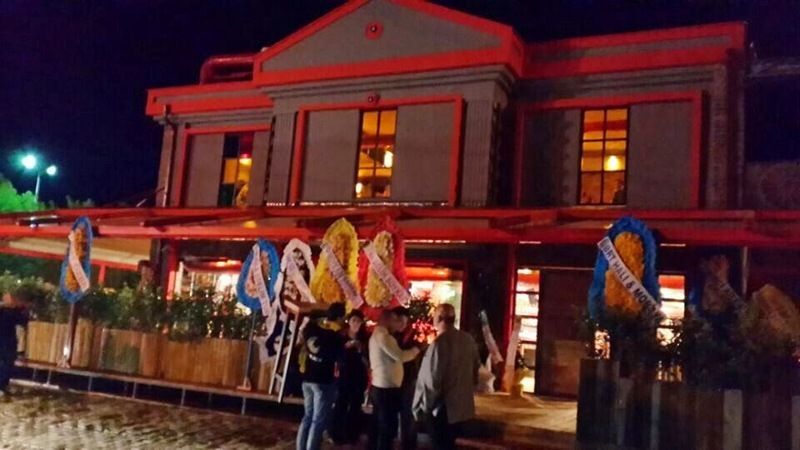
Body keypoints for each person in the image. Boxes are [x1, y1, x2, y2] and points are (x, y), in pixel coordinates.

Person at [413, 304, 480, 450]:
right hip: (461, 406)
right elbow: (475, 369)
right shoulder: (467, 340)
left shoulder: (439, 344)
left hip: (442, 407)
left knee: (439, 444)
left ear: (438, 318)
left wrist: (424, 406)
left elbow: (432, 380)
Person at [296, 302, 346, 450]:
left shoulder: (309, 330)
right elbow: (340, 358)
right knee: (318, 421)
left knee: (307, 416)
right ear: (340, 317)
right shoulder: (335, 336)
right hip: (323, 380)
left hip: (307, 378)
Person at [369, 309, 420, 450]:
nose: (399, 325)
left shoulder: (383, 335)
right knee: (386, 428)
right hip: (385, 387)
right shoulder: (384, 336)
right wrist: (416, 350)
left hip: (387, 386)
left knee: (384, 425)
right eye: (397, 321)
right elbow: (400, 356)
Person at [330, 309, 369, 445]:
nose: (356, 324)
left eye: (359, 321)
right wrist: (346, 348)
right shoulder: (341, 336)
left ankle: (352, 435)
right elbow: (336, 355)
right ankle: (336, 434)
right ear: (349, 322)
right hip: (344, 375)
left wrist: (360, 349)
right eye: (354, 320)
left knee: (355, 405)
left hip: (359, 376)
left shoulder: (365, 338)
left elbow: (368, 360)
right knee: (341, 403)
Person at [392, 306, 421, 450]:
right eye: (399, 321)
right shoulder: (389, 336)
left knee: (408, 414)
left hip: (409, 380)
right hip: (393, 380)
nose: (402, 325)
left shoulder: (413, 337)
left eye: (404, 322)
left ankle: (408, 444)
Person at [0, 293, 29, 398]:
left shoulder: (13, 311)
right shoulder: (5, 310)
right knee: (5, 364)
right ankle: (2, 386)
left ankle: (3, 386)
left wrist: (22, 308)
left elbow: (23, 321)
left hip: (9, 342)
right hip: (5, 341)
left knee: (8, 364)